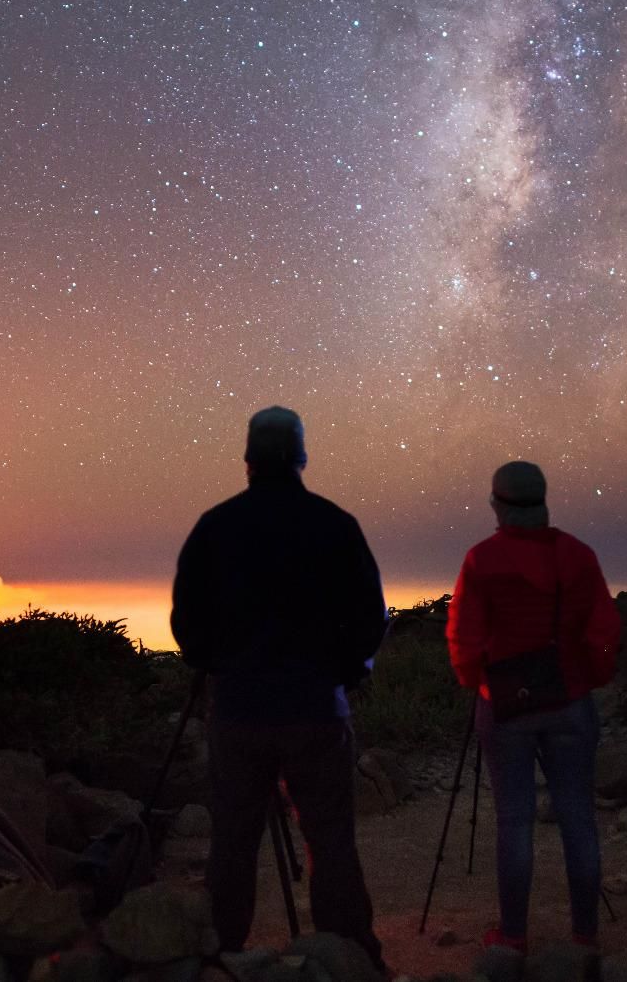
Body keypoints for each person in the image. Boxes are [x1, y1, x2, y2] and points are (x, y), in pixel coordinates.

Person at [171, 406, 389, 967]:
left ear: (247, 459)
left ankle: (221, 954)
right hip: (316, 707)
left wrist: (215, 663)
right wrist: (346, 672)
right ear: (301, 456)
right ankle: (347, 957)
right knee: (331, 839)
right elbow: (369, 613)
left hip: (240, 709)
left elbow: (187, 619)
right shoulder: (334, 524)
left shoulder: (215, 526)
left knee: (234, 841)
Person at [446, 460, 621, 954]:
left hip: (505, 705)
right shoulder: (578, 556)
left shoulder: (481, 560)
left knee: (514, 820)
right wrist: (589, 679)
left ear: (498, 503)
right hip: (569, 699)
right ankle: (585, 933)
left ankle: (514, 935)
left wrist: (475, 682)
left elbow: (463, 637)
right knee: (578, 816)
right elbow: (605, 630)